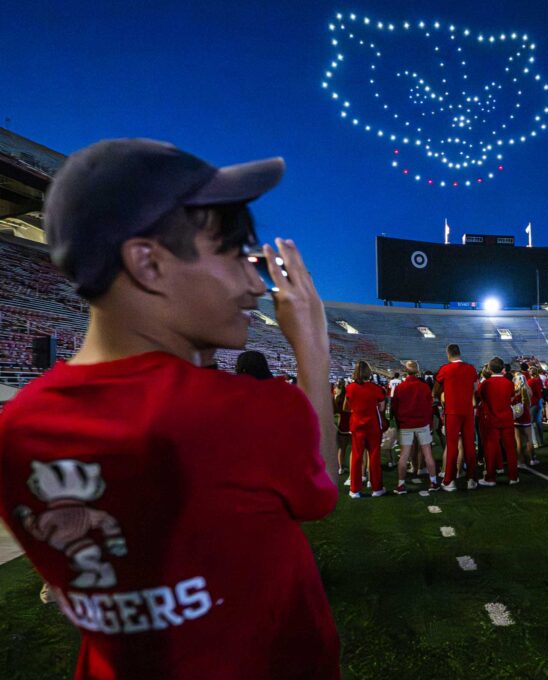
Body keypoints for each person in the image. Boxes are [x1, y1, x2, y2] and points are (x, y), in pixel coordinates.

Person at [0, 139, 340, 677]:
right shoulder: (240, 412)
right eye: (234, 255)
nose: (257, 284)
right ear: (148, 263)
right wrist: (314, 349)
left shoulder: (16, 426)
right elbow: (320, 488)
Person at [433, 344, 479, 491]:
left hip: (452, 411)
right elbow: (476, 388)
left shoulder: (445, 369)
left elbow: (436, 388)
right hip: (467, 410)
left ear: (448, 354)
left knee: (452, 446)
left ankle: (449, 480)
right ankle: (471, 479)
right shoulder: (471, 368)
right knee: (470, 446)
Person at [390, 361, 440, 494]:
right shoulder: (424, 387)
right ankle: (434, 482)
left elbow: (395, 407)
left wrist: (399, 422)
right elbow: (429, 407)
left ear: (405, 371)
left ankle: (401, 484)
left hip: (406, 424)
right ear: (417, 371)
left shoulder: (401, 387)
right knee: (428, 454)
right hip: (422, 424)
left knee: (404, 455)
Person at [344, 360, 386, 498]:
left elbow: (346, 407)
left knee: (356, 457)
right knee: (374, 457)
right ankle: (376, 488)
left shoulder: (350, 388)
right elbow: (382, 407)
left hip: (357, 425)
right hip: (373, 426)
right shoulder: (376, 389)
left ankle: (355, 489)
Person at [478, 357, 520, 485]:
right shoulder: (509, 383)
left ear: (490, 369)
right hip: (506, 418)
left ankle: (491, 477)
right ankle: (513, 477)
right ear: (502, 369)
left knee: (491, 449)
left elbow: (480, 398)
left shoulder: (485, 384)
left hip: (491, 419)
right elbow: (512, 397)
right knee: (510, 448)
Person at [513, 372, 539, 466]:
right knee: (529, 440)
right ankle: (532, 459)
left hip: (516, 417)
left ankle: (520, 461)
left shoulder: (514, 391)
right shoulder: (528, 390)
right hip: (526, 416)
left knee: (518, 441)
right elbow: (530, 399)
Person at [527, 366, 545, 448]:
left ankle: (535, 442)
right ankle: (541, 441)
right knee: (538, 422)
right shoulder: (539, 380)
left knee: (532, 423)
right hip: (539, 401)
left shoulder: (530, 381)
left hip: (533, 403)